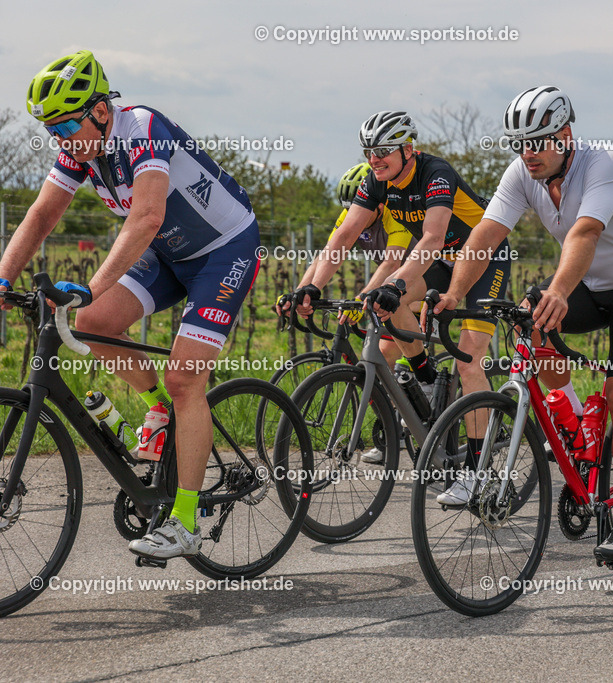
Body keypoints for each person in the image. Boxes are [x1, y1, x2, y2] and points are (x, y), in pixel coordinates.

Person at [2, 50, 261, 559]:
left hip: (223, 250)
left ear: (101, 110)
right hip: (168, 253)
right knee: (93, 322)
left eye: (69, 124)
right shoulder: (80, 151)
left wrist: (92, 283)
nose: (62, 138)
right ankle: (160, 411)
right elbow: (40, 217)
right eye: (53, 129)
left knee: (185, 378)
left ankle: (185, 519)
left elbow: (145, 217)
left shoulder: (143, 128)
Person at [427, 86, 613, 562]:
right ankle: (572, 428)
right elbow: (486, 233)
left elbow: (585, 232)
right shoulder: (523, 173)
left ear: (565, 135)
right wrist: (456, 293)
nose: (529, 154)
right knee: (530, 318)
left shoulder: (607, 164)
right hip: (590, 282)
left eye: (539, 142)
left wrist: (560, 291)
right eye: (519, 144)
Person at [297, 111, 510, 503]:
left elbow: (431, 237)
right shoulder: (376, 182)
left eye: (383, 151)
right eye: (368, 151)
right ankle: (426, 376)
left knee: (468, 361)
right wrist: (309, 286)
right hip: (442, 263)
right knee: (383, 303)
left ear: (408, 149)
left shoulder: (436, 173)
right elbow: (343, 235)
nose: (374, 159)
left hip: (483, 259)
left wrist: (396, 283)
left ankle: (478, 473)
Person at [277, 161, 417, 463]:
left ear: (378, 205)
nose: (354, 215)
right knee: (377, 364)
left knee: (389, 340)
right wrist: (301, 291)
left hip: (418, 280)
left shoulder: (397, 214)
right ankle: (392, 430)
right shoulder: (351, 214)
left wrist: (362, 297)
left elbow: (392, 264)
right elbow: (329, 252)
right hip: (388, 290)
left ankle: (426, 389)